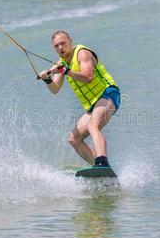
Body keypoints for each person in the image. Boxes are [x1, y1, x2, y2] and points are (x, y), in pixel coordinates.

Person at [39, 31, 120, 168]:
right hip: (92, 105)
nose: (60, 48)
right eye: (56, 46)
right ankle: (100, 169)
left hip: (108, 94)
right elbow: (55, 89)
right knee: (74, 139)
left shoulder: (82, 53)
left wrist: (66, 71)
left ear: (70, 41)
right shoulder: (61, 63)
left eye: (63, 43)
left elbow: (88, 77)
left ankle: (102, 162)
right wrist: (47, 79)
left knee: (92, 125)